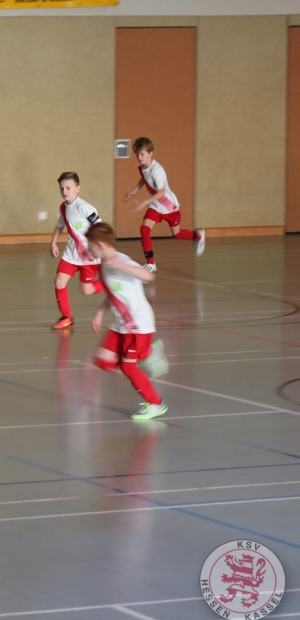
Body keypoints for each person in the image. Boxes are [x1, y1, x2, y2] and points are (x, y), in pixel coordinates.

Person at [86, 221, 170, 421]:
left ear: (99, 245)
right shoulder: (104, 265)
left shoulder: (120, 260)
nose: (89, 249)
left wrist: (122, 266)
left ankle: (155, 403)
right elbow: (114, 292)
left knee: (128, 367)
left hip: (138, 324)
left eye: (90, 246)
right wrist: (100, 312)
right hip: (121, 322)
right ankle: (148, 352)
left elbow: (148, 276)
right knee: (103, 360)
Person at [123, 137, 205, 271]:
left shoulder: (157, 171)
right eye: (137, 154)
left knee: (177, 234)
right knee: (144, 229)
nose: (139, 157)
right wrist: (134, 192)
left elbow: (161, 193)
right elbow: (144, 178)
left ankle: (198, 236)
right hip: (155, 205)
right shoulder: (144, 167)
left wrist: (144, 202)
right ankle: (151, 263)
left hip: (168, 206)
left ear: (151, 153)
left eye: (142, 154)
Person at [50, 171, 105, 330]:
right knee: (59, 281)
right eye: (62, 188)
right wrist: (53, 243)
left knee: (86, 290)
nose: (64, 191)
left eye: (68, 188)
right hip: (71, 253)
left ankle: (109, 282)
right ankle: (66, 317)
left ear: (77, 189)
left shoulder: (85, 208)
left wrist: (95, 248)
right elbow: (60, 225)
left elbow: (100, 227)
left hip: (89, 255)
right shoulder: (63, 207)